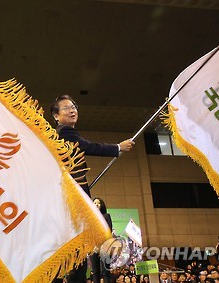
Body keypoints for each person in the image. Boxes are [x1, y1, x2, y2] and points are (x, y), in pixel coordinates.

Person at [50, 95, 134, 283]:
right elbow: (89, 146)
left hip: (72, 198)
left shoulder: (65, 133)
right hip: (73, 200)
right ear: (56, 116)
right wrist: (117, 148)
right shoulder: (64, 132)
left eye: (74, 106)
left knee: (74, 252)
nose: (72, 110)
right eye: (66, 108)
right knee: (76, 251)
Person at [89, 197, 113, 283]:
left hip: (105, 247)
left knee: (105, 271)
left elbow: (108, 230)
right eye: (94, 203)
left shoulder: (106, 216)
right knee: (95, 272)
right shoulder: (90, 218)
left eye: (98, 203)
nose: (96, 204)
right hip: (93, 247)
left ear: (101, 205)